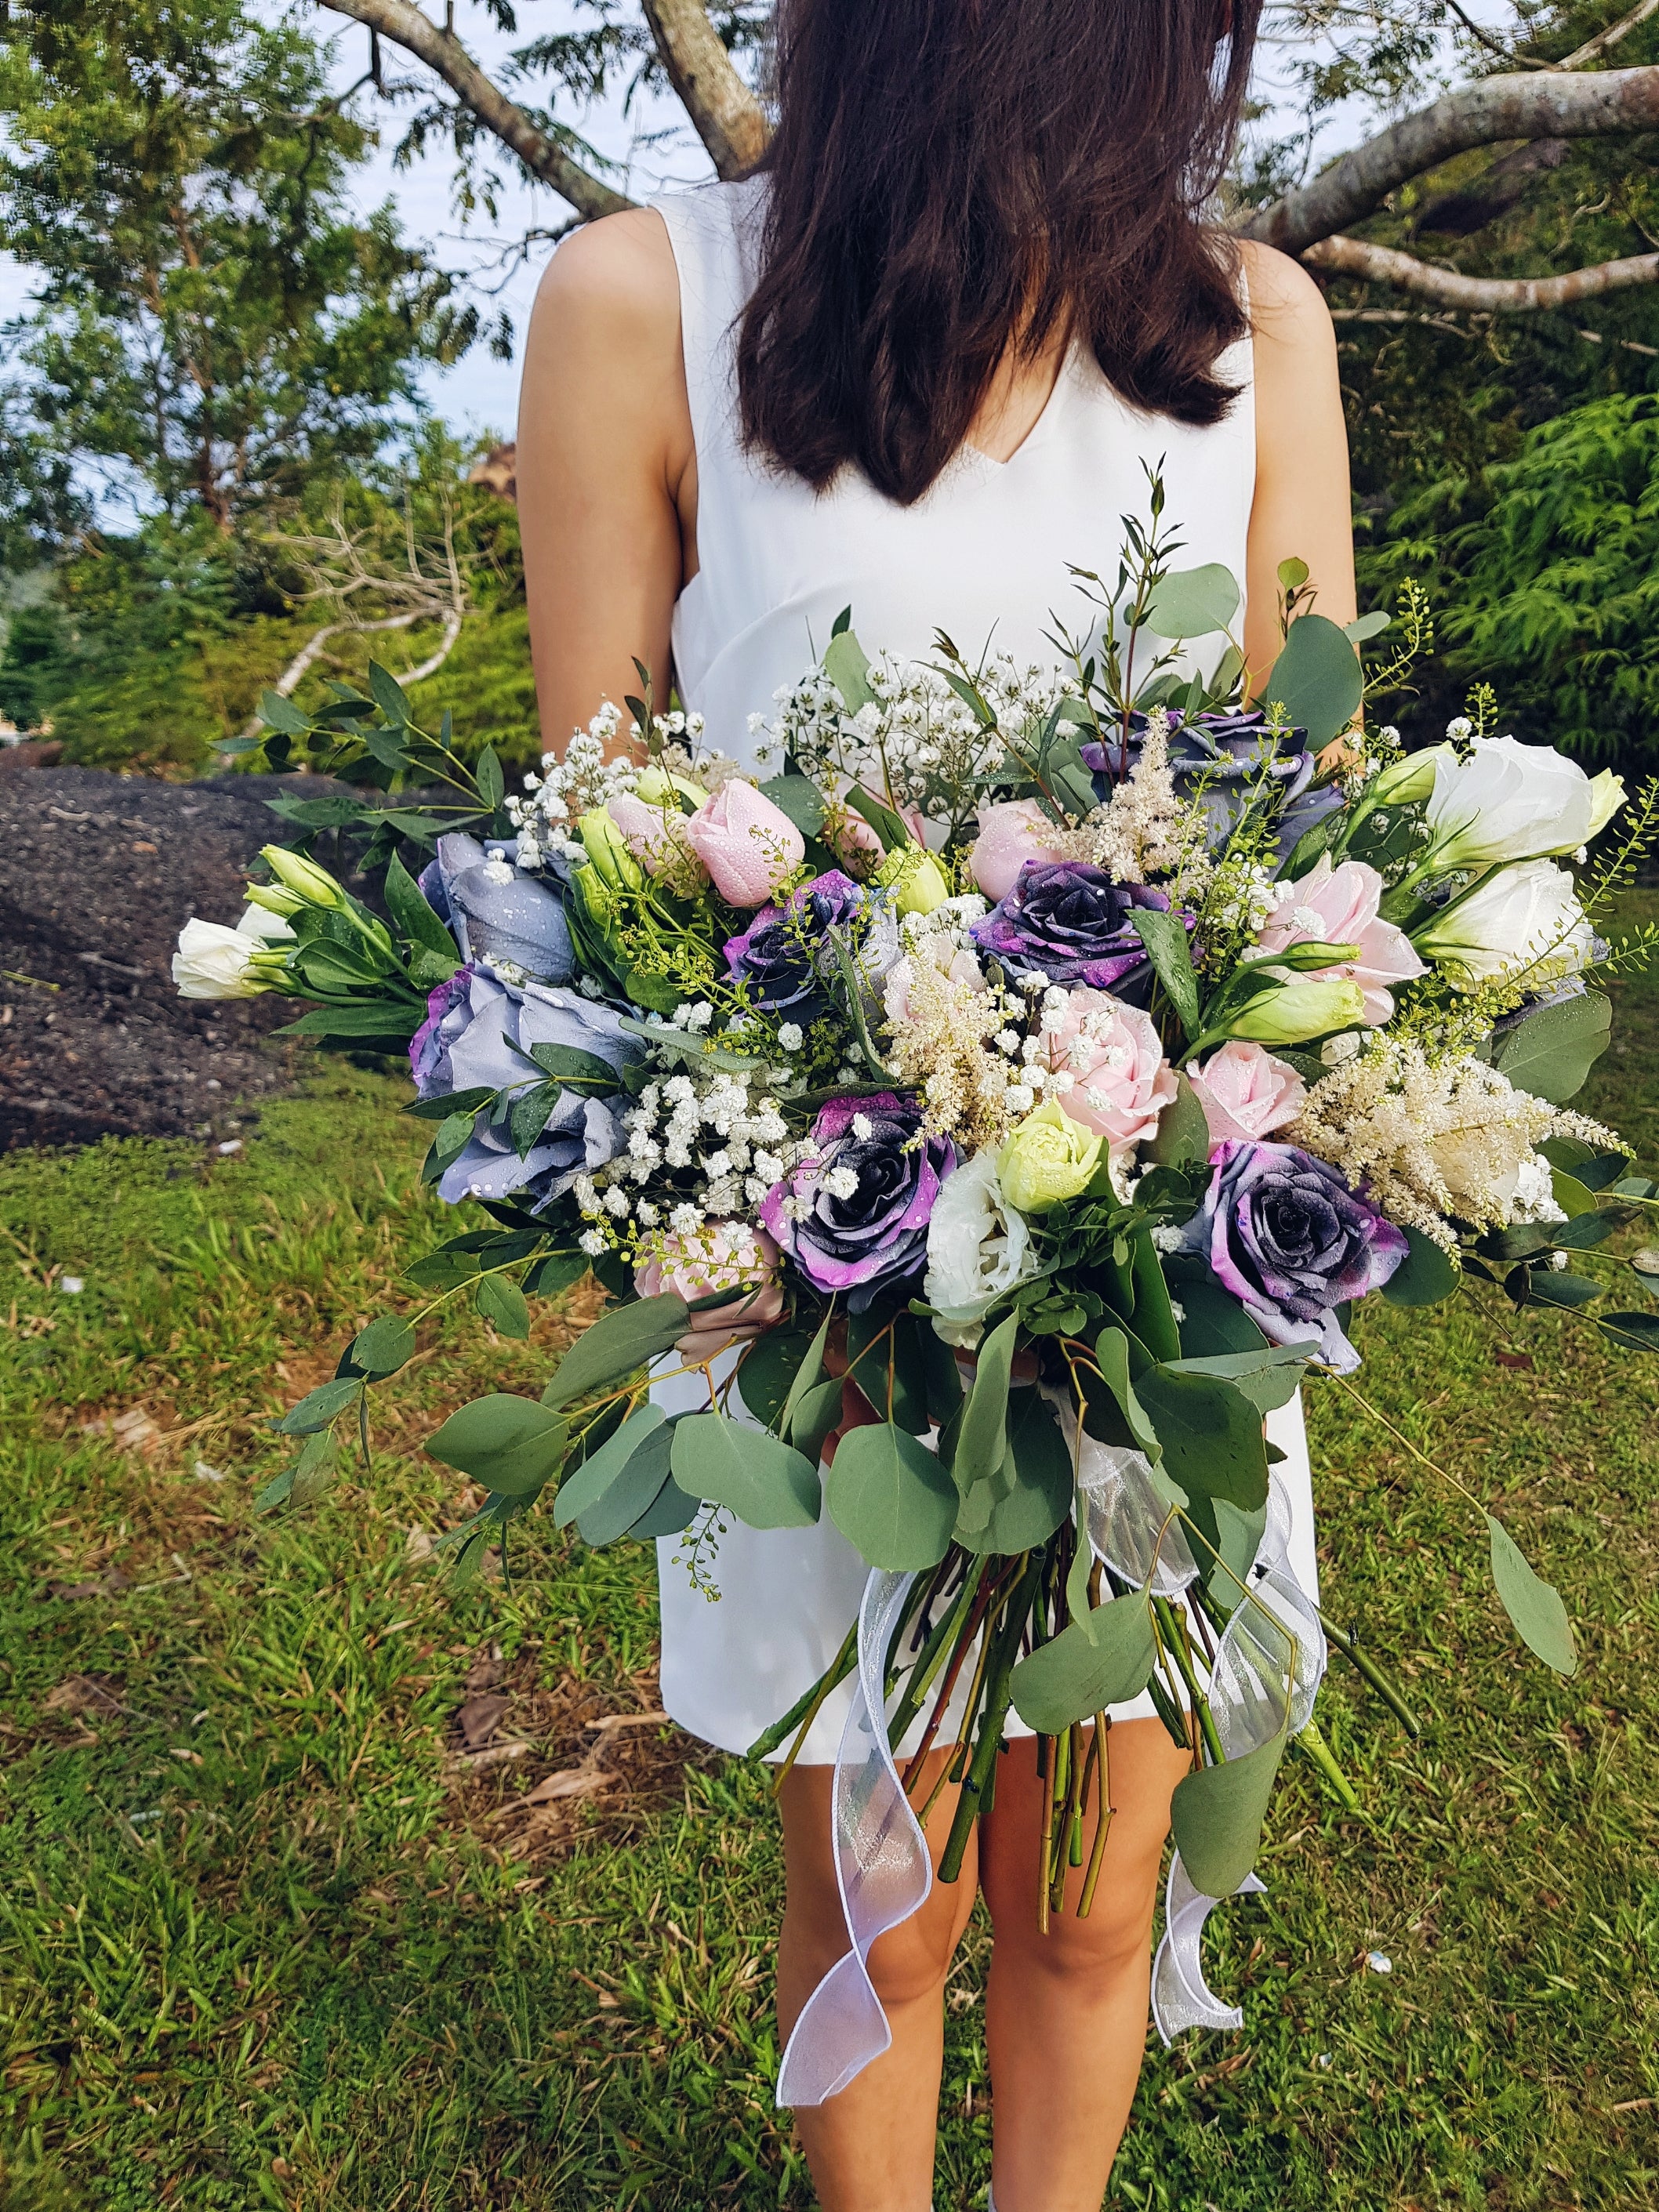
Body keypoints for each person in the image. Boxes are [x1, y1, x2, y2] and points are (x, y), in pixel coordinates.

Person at [516, 3, 1355, 2204]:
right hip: (823, 1273)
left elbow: (1303, 828)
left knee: (1089, 1891)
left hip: (1150, 1263)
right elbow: (602, 839)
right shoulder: (650, 299)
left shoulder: (1254, 324)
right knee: (882, 1907)